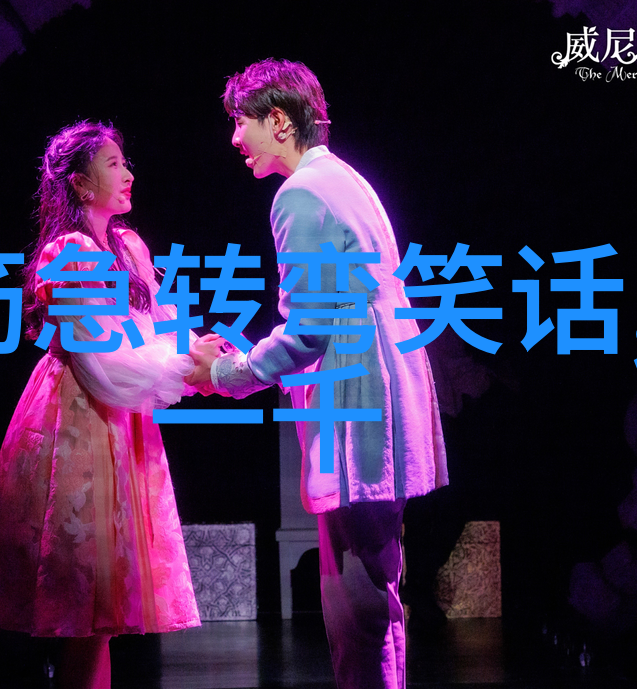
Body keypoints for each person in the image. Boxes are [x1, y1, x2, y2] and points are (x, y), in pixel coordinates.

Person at [190, 59, 448, 689]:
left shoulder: (301, 192)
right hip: (384, 387)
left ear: (279, 121)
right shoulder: (345, 179)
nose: (234, 137)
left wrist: (226, 372)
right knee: (377, 586)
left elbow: (308, 331)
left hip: (357, 397)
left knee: (355, 595)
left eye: (241, 121)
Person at [0, 121, 220, 689]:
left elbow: (153, 327)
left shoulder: (128, 246)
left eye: (126, 162)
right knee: (81, 600)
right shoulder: (68, 255)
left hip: (120, 422)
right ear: (79, 183)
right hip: (77, 417)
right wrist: (188, 368)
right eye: (113, 164)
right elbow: (104, 359)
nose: (128, 174)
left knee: (102, 612)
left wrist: (198, 352)